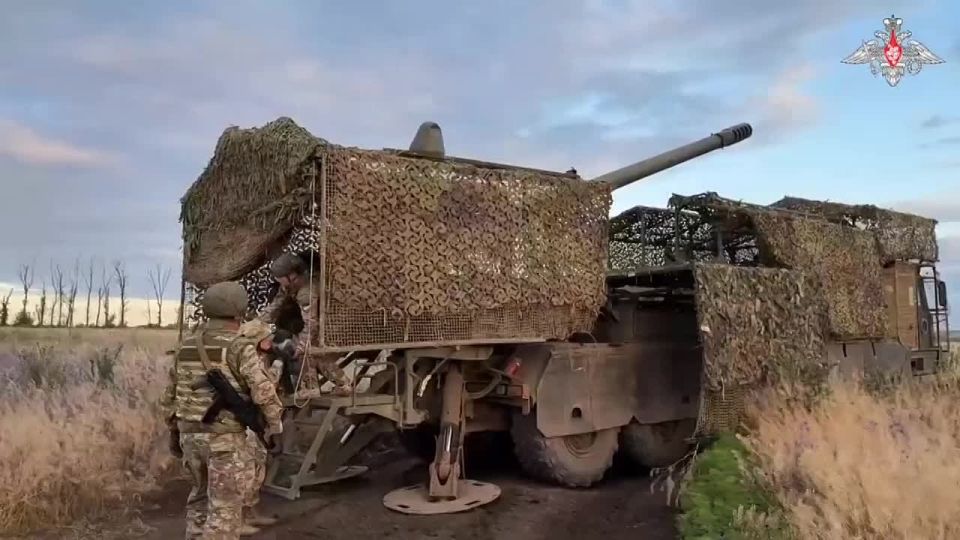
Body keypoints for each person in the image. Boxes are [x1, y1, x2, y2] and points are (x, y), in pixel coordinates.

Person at [165, 281, 284, 539]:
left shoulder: (186, 345)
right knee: (225, 511)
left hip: (190, 436)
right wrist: (274, 426)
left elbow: (171, 396)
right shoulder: (238, 346)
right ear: (239, 310)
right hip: (224, 440)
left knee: (198, 501)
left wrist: (174, 432)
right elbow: (263, 391)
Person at [258, 251, 352, 396]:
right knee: (307, 348)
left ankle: (312, 388)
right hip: (322, 323)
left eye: (280, 278)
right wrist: (256, 324)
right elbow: (275, 306)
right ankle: (343, 384)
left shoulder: (306, 292)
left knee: (306, 350)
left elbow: (310, 324)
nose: (278, 282)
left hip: (336, 325)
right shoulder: (290, 286)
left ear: (292, 276)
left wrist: (302, 345)